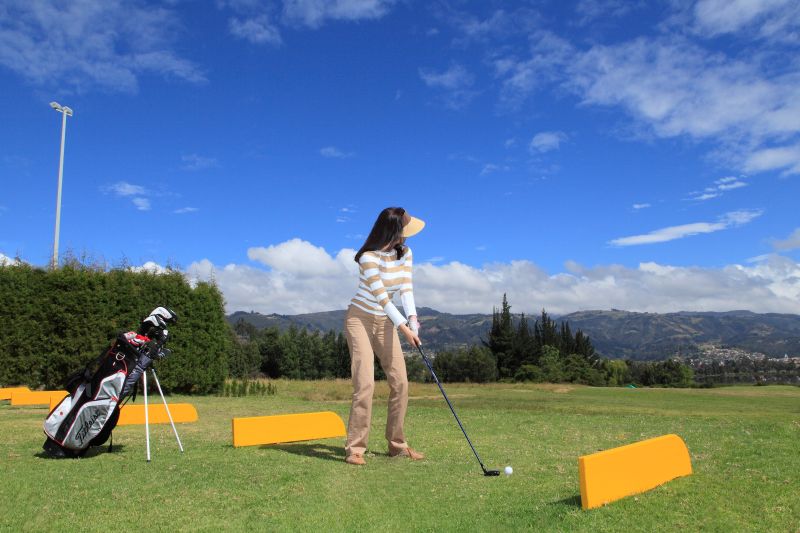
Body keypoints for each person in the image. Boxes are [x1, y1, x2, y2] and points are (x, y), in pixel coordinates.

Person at [344, 207, 425, 466]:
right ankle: (355, 448)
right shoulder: (367, 258)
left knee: (400, 382)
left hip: (385, 322)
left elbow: (406, 289)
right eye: (404, 231)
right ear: (393, 231)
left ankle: (397, 445)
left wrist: (413, 321)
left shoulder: (406, 253)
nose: (407, 236)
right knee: (365, 384)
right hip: (360, 319)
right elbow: (382, 298)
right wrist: (404, 329)